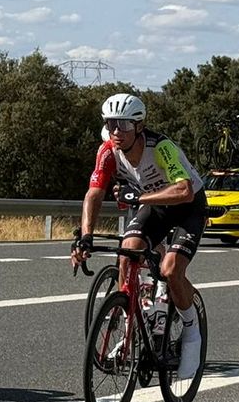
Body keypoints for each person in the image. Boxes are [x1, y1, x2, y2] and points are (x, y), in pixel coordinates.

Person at [73, 94, 206, 378]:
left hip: (188, 208)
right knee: (128, 248)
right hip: (156, 205)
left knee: (170, 270)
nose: (116, 132)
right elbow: (94, 193)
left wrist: (141, 195)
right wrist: (85, 236)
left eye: (123, 125)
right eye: (111, 125)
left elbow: (184, 190)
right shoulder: (107, 150)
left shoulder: (161, 148)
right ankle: (130, 325)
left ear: (139, 125)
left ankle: (192, 333)